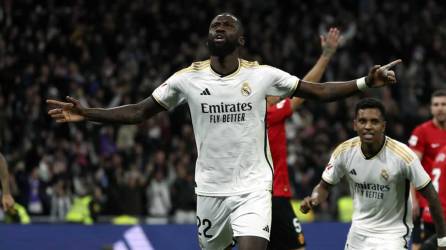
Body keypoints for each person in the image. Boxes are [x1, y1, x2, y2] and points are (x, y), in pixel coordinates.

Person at [47, 13, 400, 250]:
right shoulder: (186, 79)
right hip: (211, 190)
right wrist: (88, 113)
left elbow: (317, 92)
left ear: (240, 39)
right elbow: (139, 111)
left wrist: (364, 81)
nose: (219, 27)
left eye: (227, 25)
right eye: (215, 24)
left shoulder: (261, 76)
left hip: (254, 188)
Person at [300, 98, 446, 250]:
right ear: (355, 124)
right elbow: (324, 186)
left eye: (374, 121)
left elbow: (432, 197)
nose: (368, 126)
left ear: (383, 126)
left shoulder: (403, 156)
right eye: (362, 121)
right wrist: (314, 199)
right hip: (357, 234)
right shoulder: (344, 151)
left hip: (393, 236)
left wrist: (442, 240)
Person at [266, 27, 341, 250]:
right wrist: (326, 55)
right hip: (274, 198)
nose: (278, 94)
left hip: (254, 200)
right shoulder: (270, 114)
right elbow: (304, 90)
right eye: (273, 91)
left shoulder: (249, 118)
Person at [408, 90, 446, 249]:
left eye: (444, 104)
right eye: (436, 104)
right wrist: (413, 200)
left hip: (444, 201)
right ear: (430, 108)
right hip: (425, 200)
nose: (440, 108)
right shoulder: (422, 132)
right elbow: (411, 167)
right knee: (419, 245)